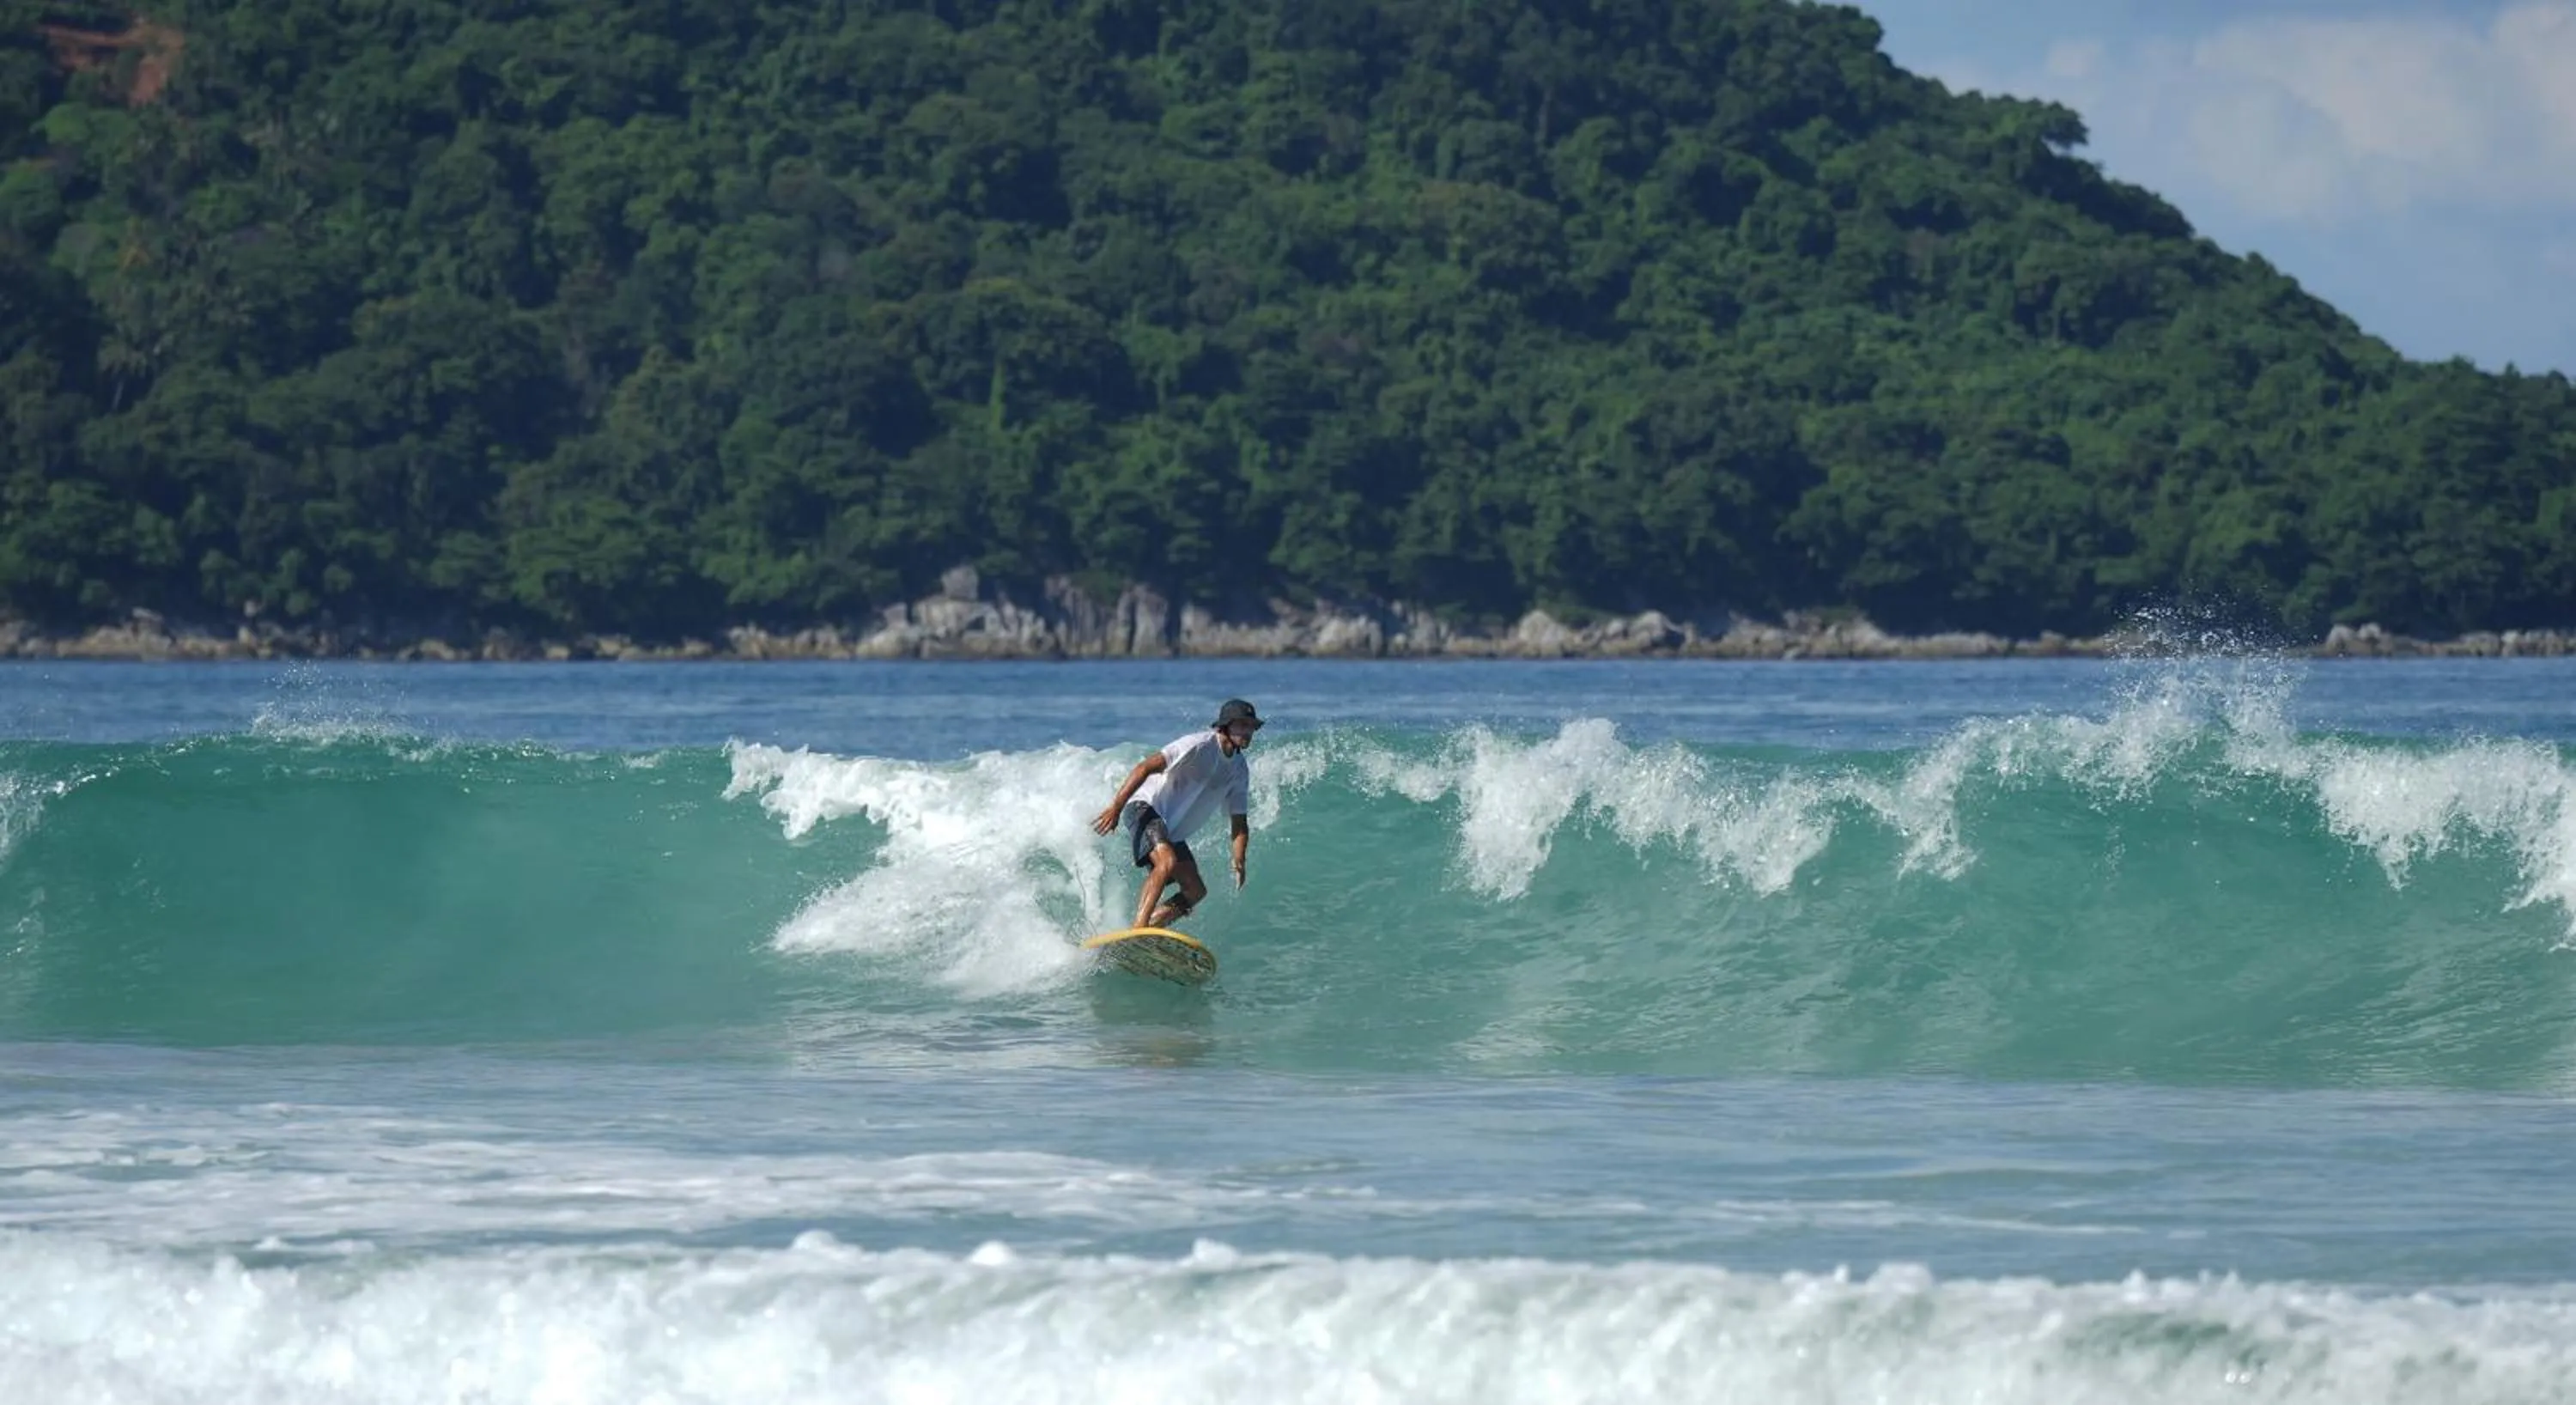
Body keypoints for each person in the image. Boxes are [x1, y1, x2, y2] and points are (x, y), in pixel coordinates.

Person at [1091, 698, 1262, 930]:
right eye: (1242, 725)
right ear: (1225, 725)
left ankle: (1151, 927)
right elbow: (1145, 767)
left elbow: (1239, 823)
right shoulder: (1197, 745)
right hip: (1145, 806)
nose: (1248, 731)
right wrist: (1116, 807)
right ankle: (1139, 928)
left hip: (1171, 830)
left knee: (1195, 891)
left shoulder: (1239, 770)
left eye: (1251, 726)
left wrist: (1239, 859)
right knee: (1167, 861)